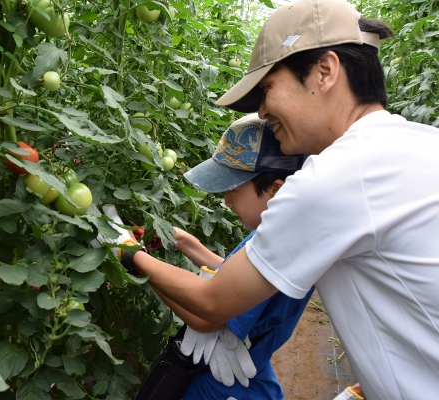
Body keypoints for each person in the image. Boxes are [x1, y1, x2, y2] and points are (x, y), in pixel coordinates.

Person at [107, 1, 439, 399]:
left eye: (267, 89)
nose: (263, 112)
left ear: (325, 71)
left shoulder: (335, 178)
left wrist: (126, 250)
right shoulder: (421, 145)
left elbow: (212, 305)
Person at [97, 114, 313, 399]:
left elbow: (206, 312)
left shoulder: (284, 248)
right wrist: (186, 242)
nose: (227, 200)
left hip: (227, 390)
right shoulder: (286, 230)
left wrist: (131, 256)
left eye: (234, 189)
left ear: (276, 190)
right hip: (246, 377)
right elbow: (236, 276)